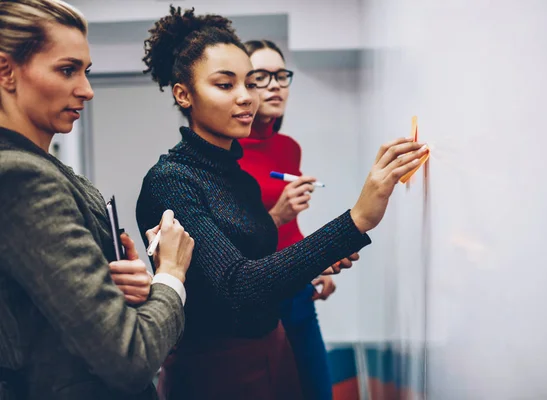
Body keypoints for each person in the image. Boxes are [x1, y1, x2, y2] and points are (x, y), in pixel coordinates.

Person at [136, 6, 428, 399]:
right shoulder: (171, 182)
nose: (247, 97)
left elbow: (260, 258)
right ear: (184, 94)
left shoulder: (237, 177)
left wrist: (321, 255)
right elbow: (238, 286)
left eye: (248, 83)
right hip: (215, 373)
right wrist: (355, 220)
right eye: (226, 85)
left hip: (275, 350)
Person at [0, 1, 195, 399]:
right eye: (67, 70)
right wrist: (171, 275)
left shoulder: (46, 169)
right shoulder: (22, 178)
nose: (87, 90)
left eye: (85, 72)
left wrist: (124, 288)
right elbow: (129, 358)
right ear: (6, 71)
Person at [237, 39, 341, 400]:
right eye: (261, 76)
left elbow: (291, 227)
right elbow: (230, 242)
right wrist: (276, 214)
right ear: (242, 85)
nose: (275, 85)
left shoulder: (288, 147)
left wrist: (317, 265)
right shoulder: (227, 154)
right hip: (254, 299)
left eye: (281, 75)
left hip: (296, 289)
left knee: (318, 390)